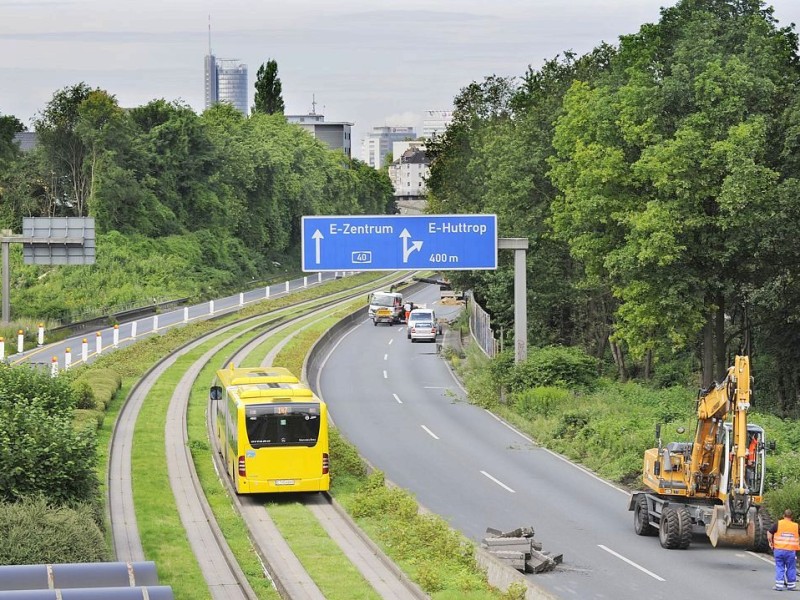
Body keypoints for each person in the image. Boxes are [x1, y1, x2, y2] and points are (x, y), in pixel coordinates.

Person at [768, 509, 799, 591]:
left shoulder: (778, 524)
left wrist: (770, 542)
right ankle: (791, 586)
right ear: (791, 517)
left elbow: (769, 533)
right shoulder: (796, 526)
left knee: (780, 567)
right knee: (791, 567)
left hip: (779, 550)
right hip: (791, 551)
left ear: (783, 515)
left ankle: (779, 585)